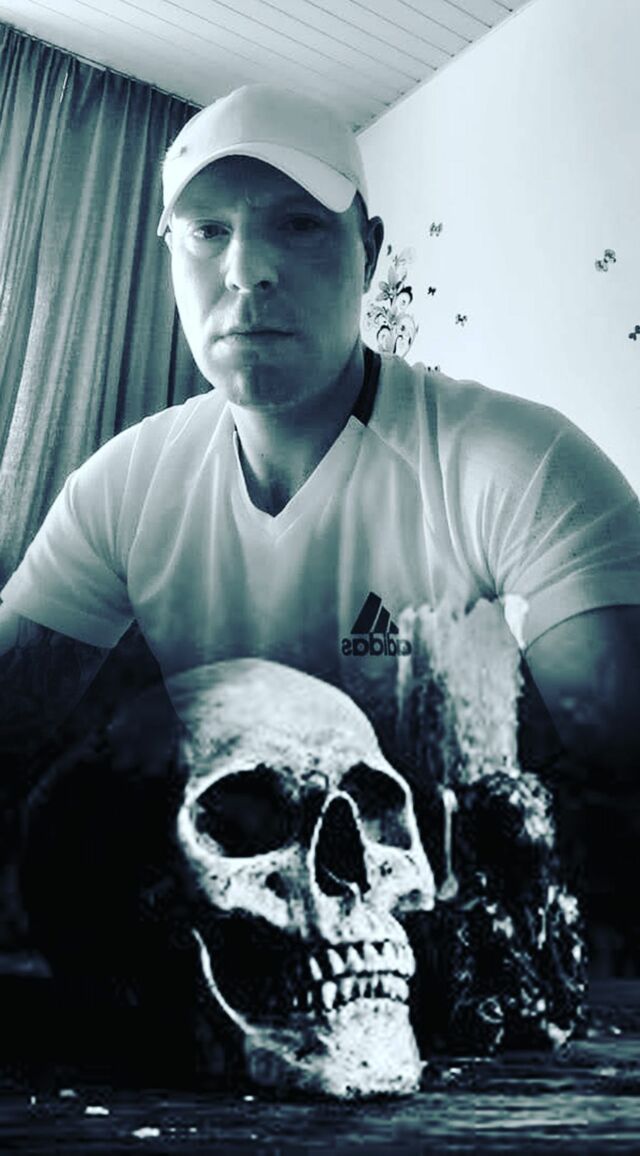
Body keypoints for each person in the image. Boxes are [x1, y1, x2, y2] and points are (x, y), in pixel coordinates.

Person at [0, 82, 638, 796]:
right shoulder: (122, 487)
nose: (246, 271)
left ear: (368, 254)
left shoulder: (522, 470)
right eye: (207, 231)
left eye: (299, 224)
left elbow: (619, 787)